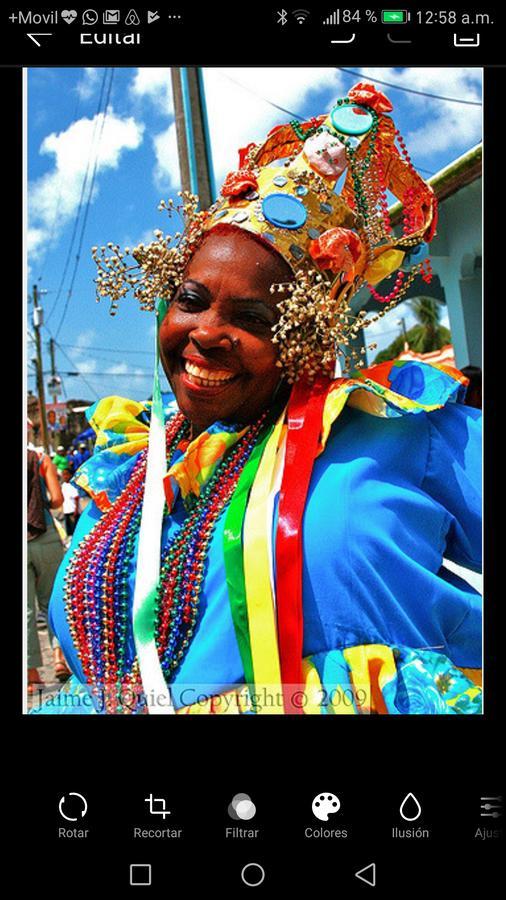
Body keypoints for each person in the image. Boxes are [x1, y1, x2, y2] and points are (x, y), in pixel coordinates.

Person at [40, 83, 481, 716]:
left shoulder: (405, 430)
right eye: (190, 300)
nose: (207, 332)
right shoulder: (130, 466)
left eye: (251, 316)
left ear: (304, 334)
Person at [27, 449, 71, 692]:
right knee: (53, 602)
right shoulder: (41, 460)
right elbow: (57, 499)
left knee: (26, 611)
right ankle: (59, 657)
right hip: (44, 537)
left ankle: (31, 675)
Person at [61, 468, 80, 537]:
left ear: (71, 475)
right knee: (69, 530)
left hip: (73, 511)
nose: (65, 476)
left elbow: (76, 498)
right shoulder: (63, 485)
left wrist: (76, 510)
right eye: (63, 474)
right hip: (66, 510)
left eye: (67, 474)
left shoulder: (72, 485)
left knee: (74, 529)